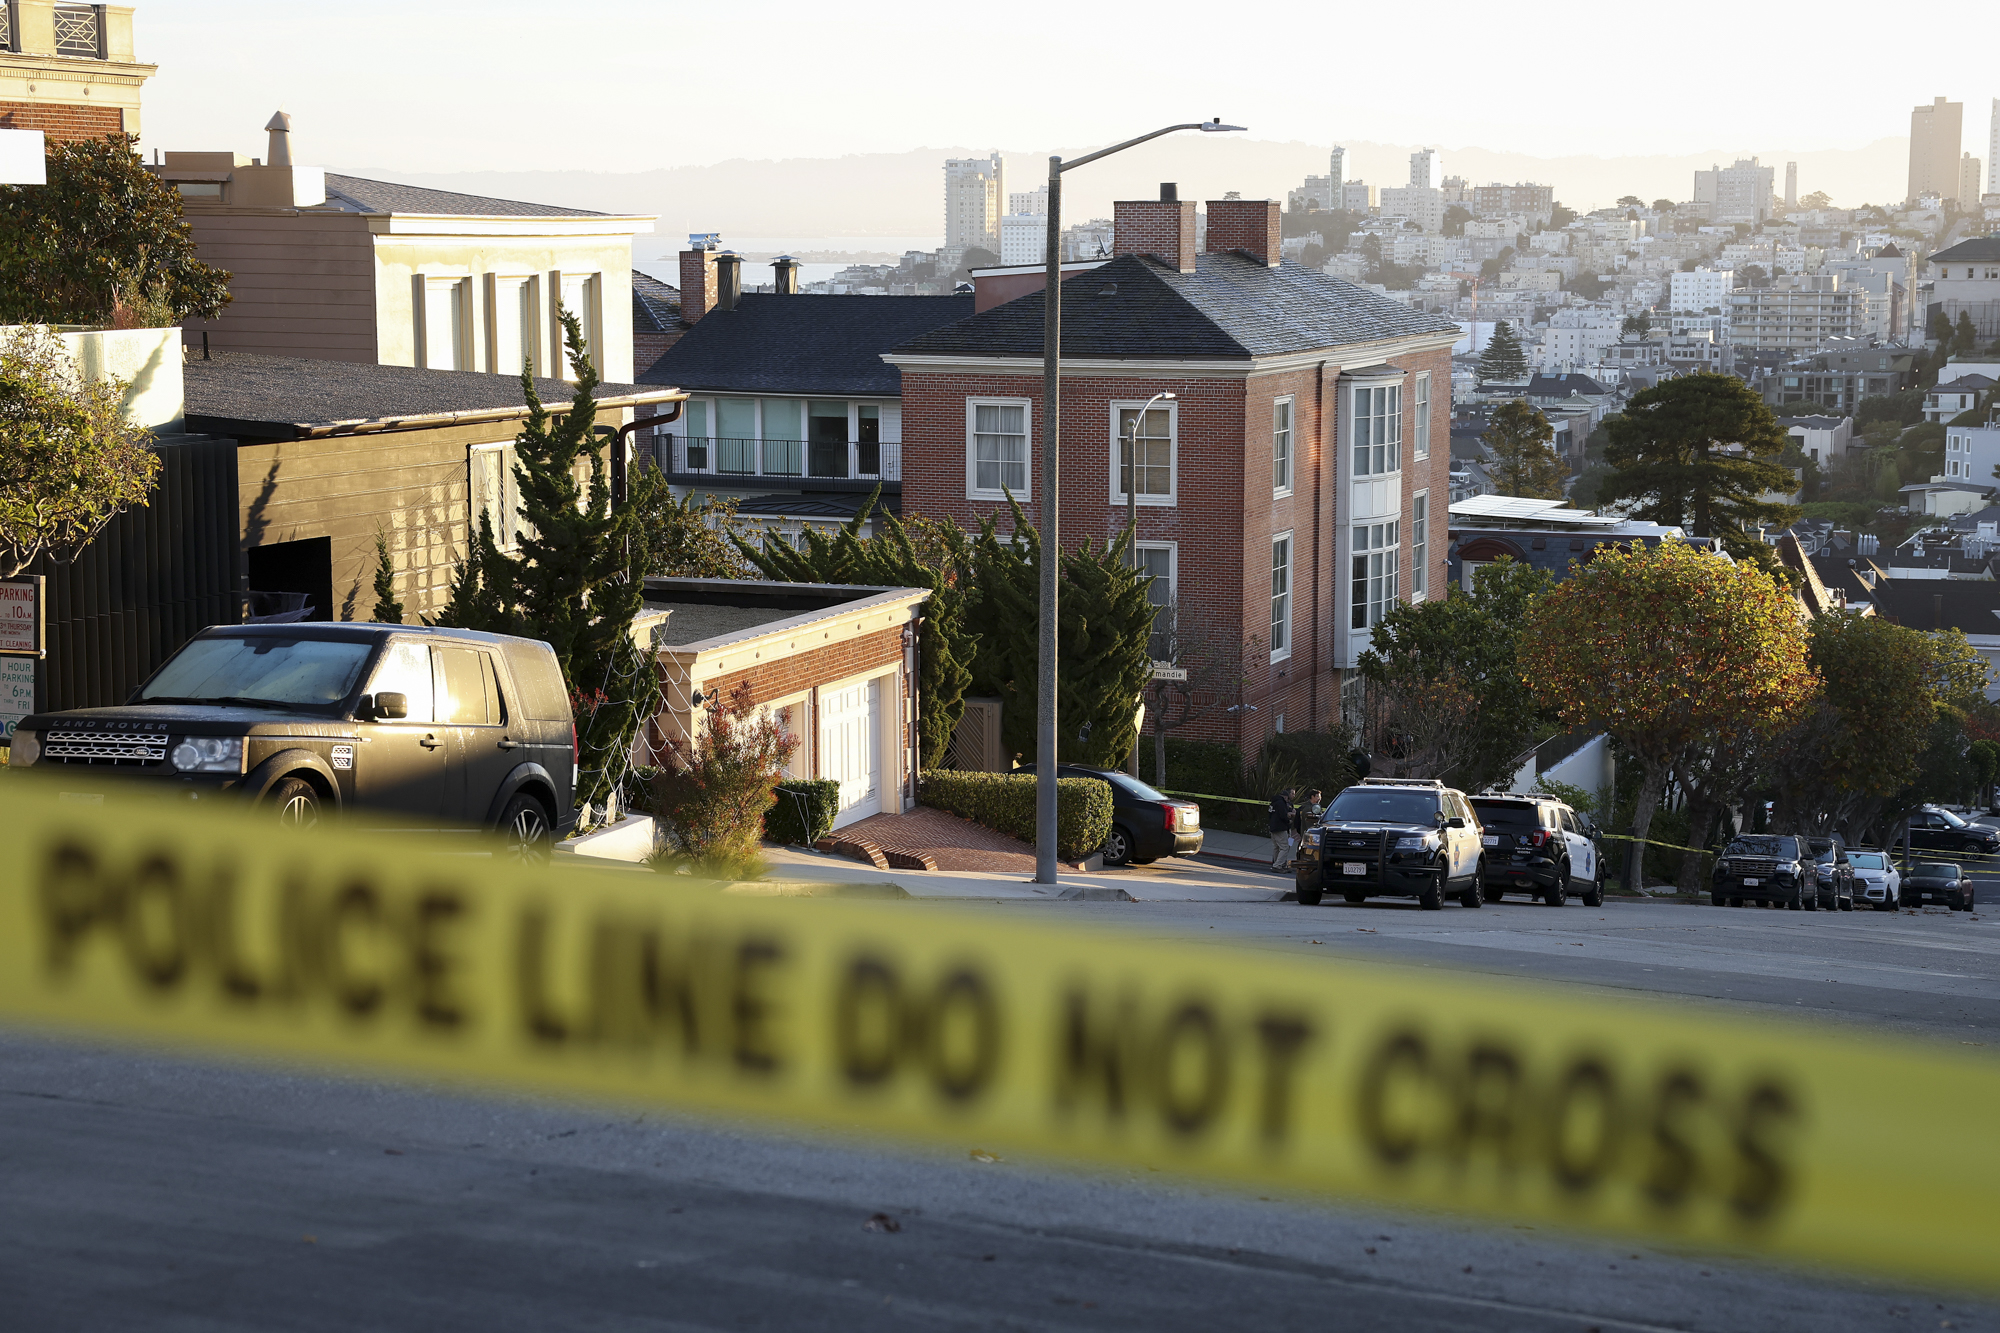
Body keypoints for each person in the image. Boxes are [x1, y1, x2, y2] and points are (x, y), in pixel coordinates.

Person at [1269, 786, 1297, 870]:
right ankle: (1278, 865)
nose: (1293, 796)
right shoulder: (1281, 803)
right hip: (1281, 828)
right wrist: (1289, 819)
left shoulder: (1274, 802)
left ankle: (1278, 863)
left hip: (1273, 827)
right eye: (1292, 794)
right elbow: (1283, 815)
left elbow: (1271, 815)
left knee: (1277, 847)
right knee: (1285, 847)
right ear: (1286, 796)